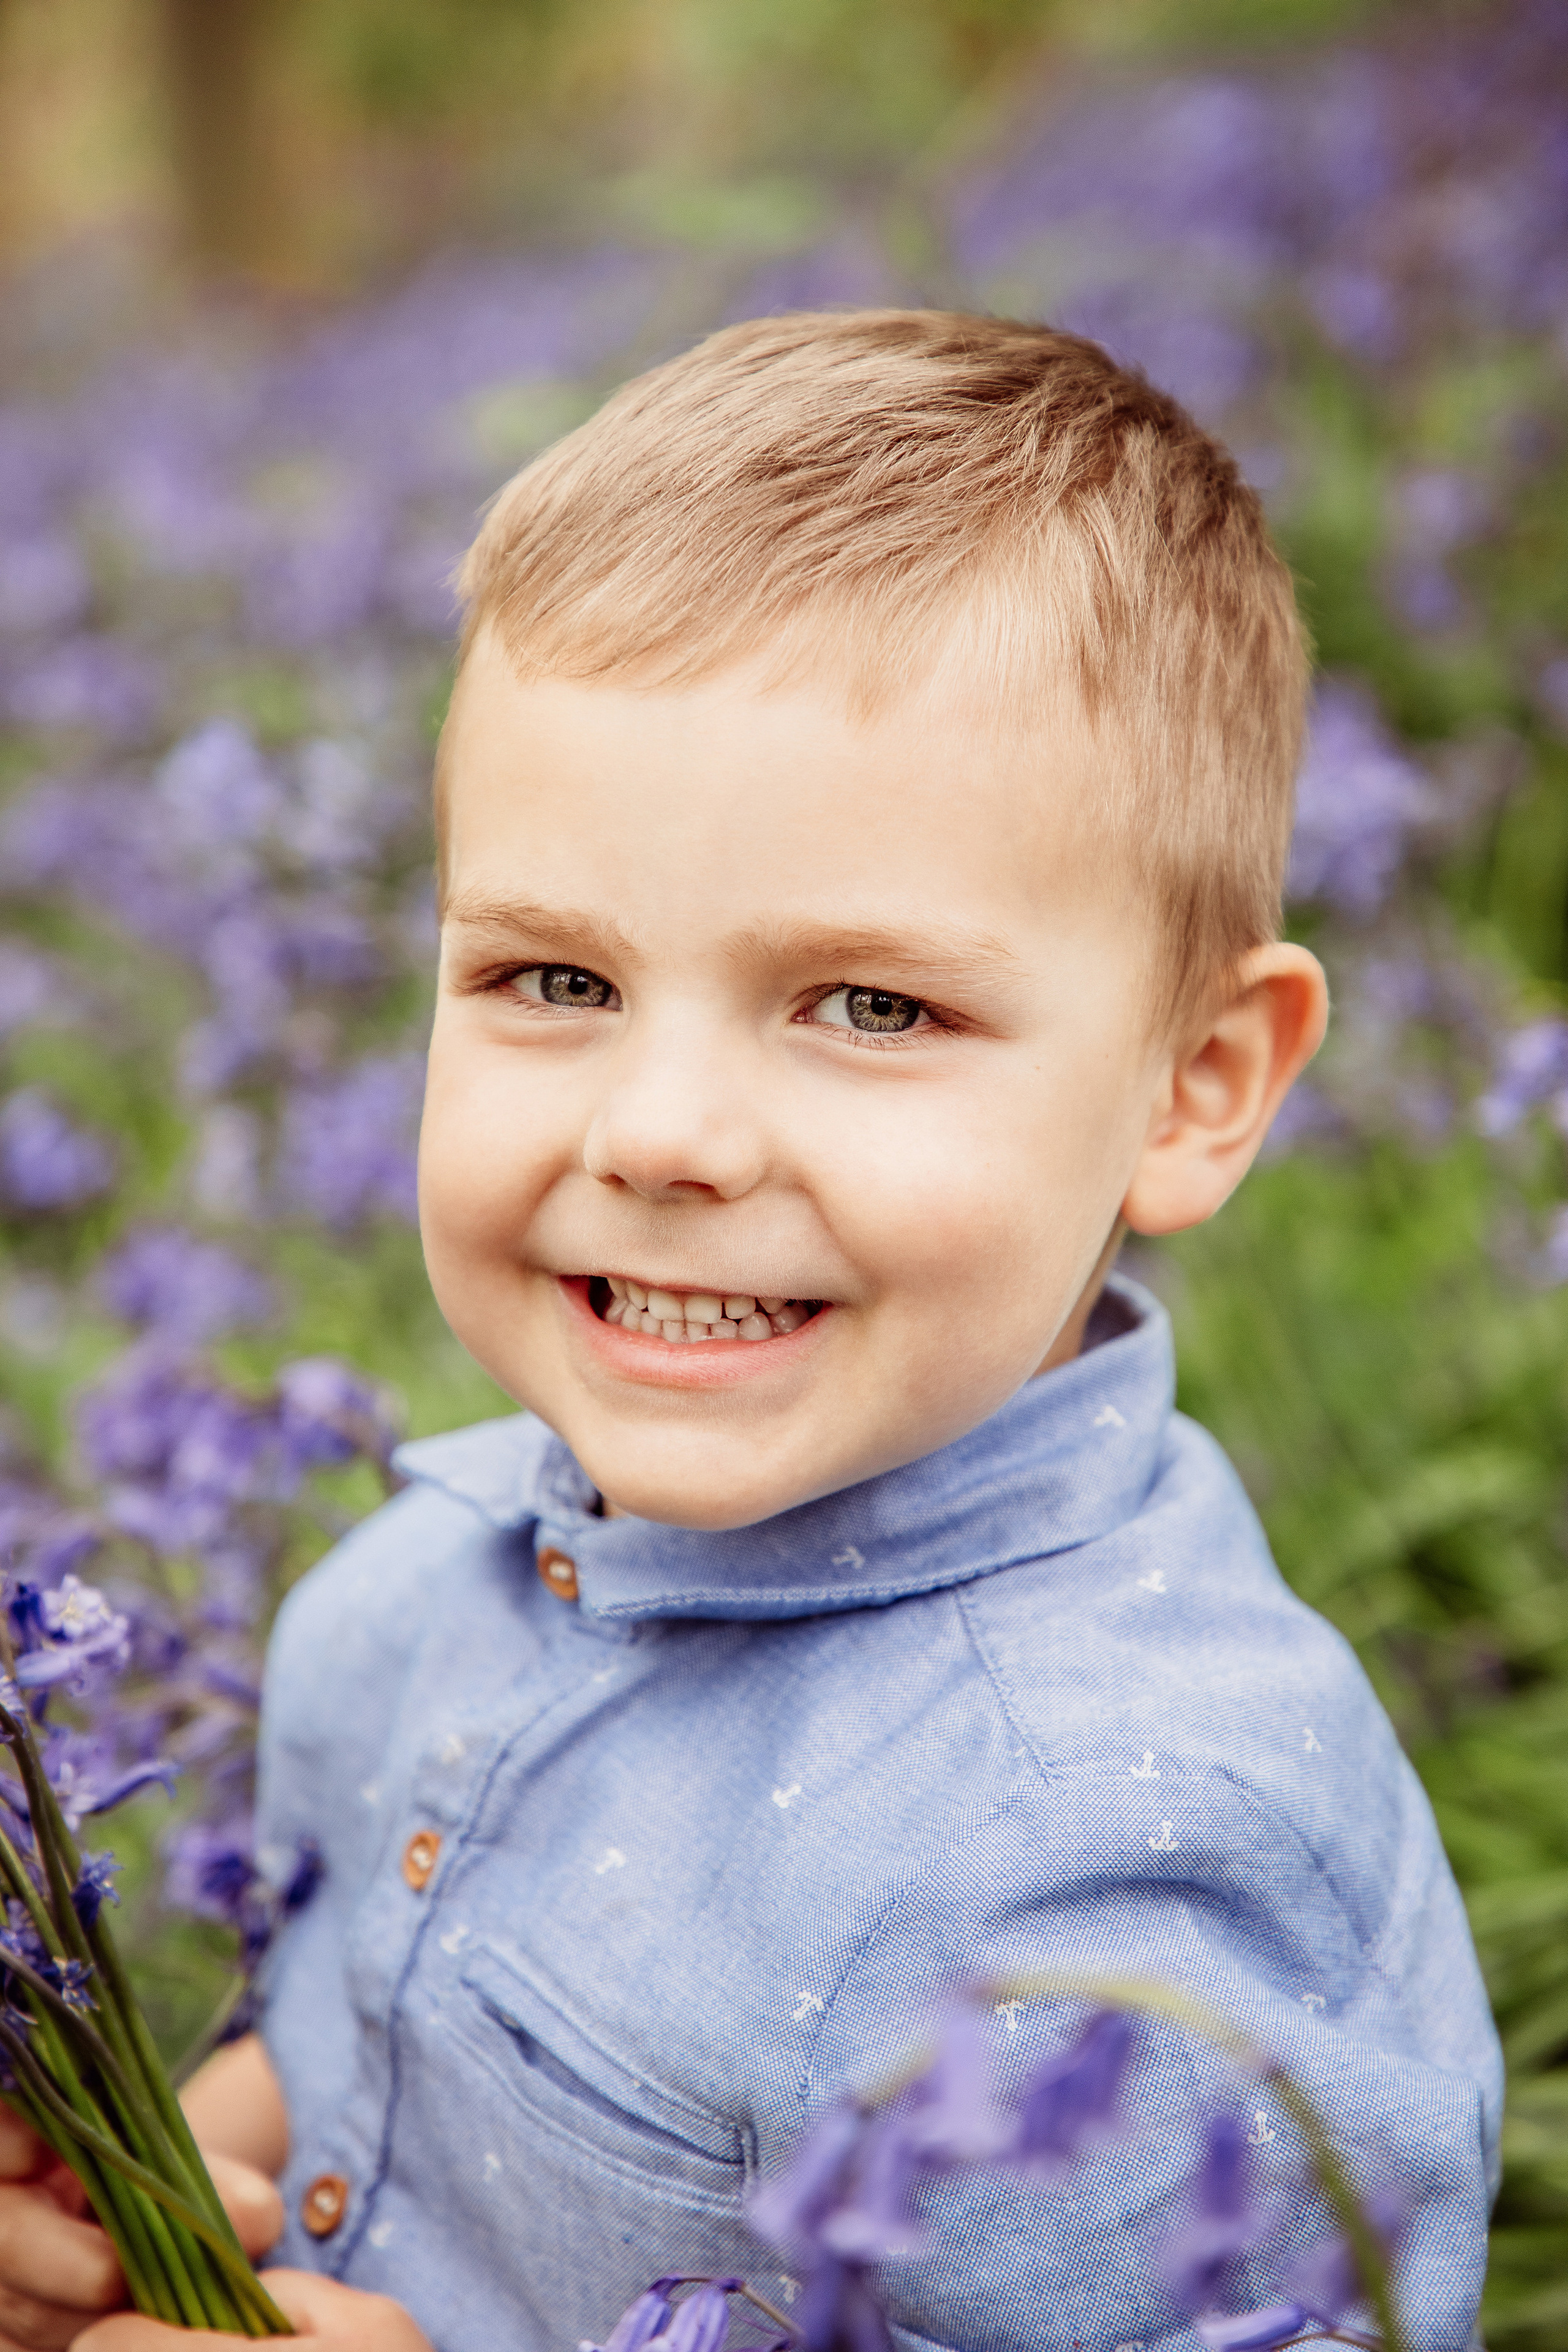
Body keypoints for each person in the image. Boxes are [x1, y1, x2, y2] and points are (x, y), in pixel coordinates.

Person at [12, 313, 1498, 2352]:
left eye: (873, 1007)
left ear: (1197, 1083)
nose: (664, 1133)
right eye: (550, 978)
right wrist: (164, 2192)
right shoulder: (394, 1602)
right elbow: (379, 2037)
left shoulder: (1085, 1889)